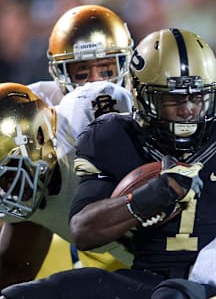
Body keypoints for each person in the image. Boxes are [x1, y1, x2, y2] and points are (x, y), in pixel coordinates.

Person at [1, 28, 216, 299]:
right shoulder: (104, 134)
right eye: (174, 99)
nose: (189, 110)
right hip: (143, 268)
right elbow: (74, 233)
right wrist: (145, 199)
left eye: (197, 97)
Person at [0, 81, 134, 289]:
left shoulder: (88, 121)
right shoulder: (26, 192)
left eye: (9, 174)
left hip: (194, 252)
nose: (5, 190)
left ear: (39, 137)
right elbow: (15, 267)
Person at [28, 4, 134, 106]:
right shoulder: (40, 105)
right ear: (62, 73)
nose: (95, 81)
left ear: (123, 64)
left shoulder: (140, 104)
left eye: (104, 69)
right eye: (82, 71)